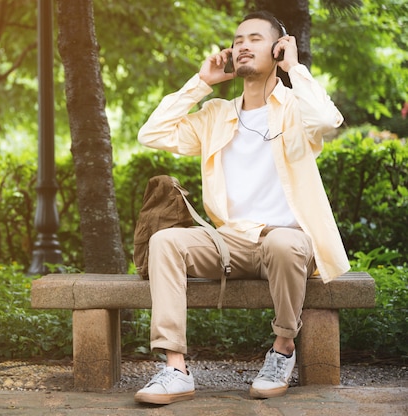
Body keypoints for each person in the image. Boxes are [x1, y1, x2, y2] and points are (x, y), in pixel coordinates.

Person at [134, 10, 349, 404]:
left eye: (254, 38)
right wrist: (201, 84)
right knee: (165, 241)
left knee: (284, 243)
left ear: (278, 47)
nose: (242, 45)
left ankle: (282, 349)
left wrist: (294, 68)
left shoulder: (294, 110)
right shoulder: (216, 115)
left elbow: (328, 118)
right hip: (228, 242)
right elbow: (151, 133)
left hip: (285, 242)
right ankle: (175, 369)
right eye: (237, 40)